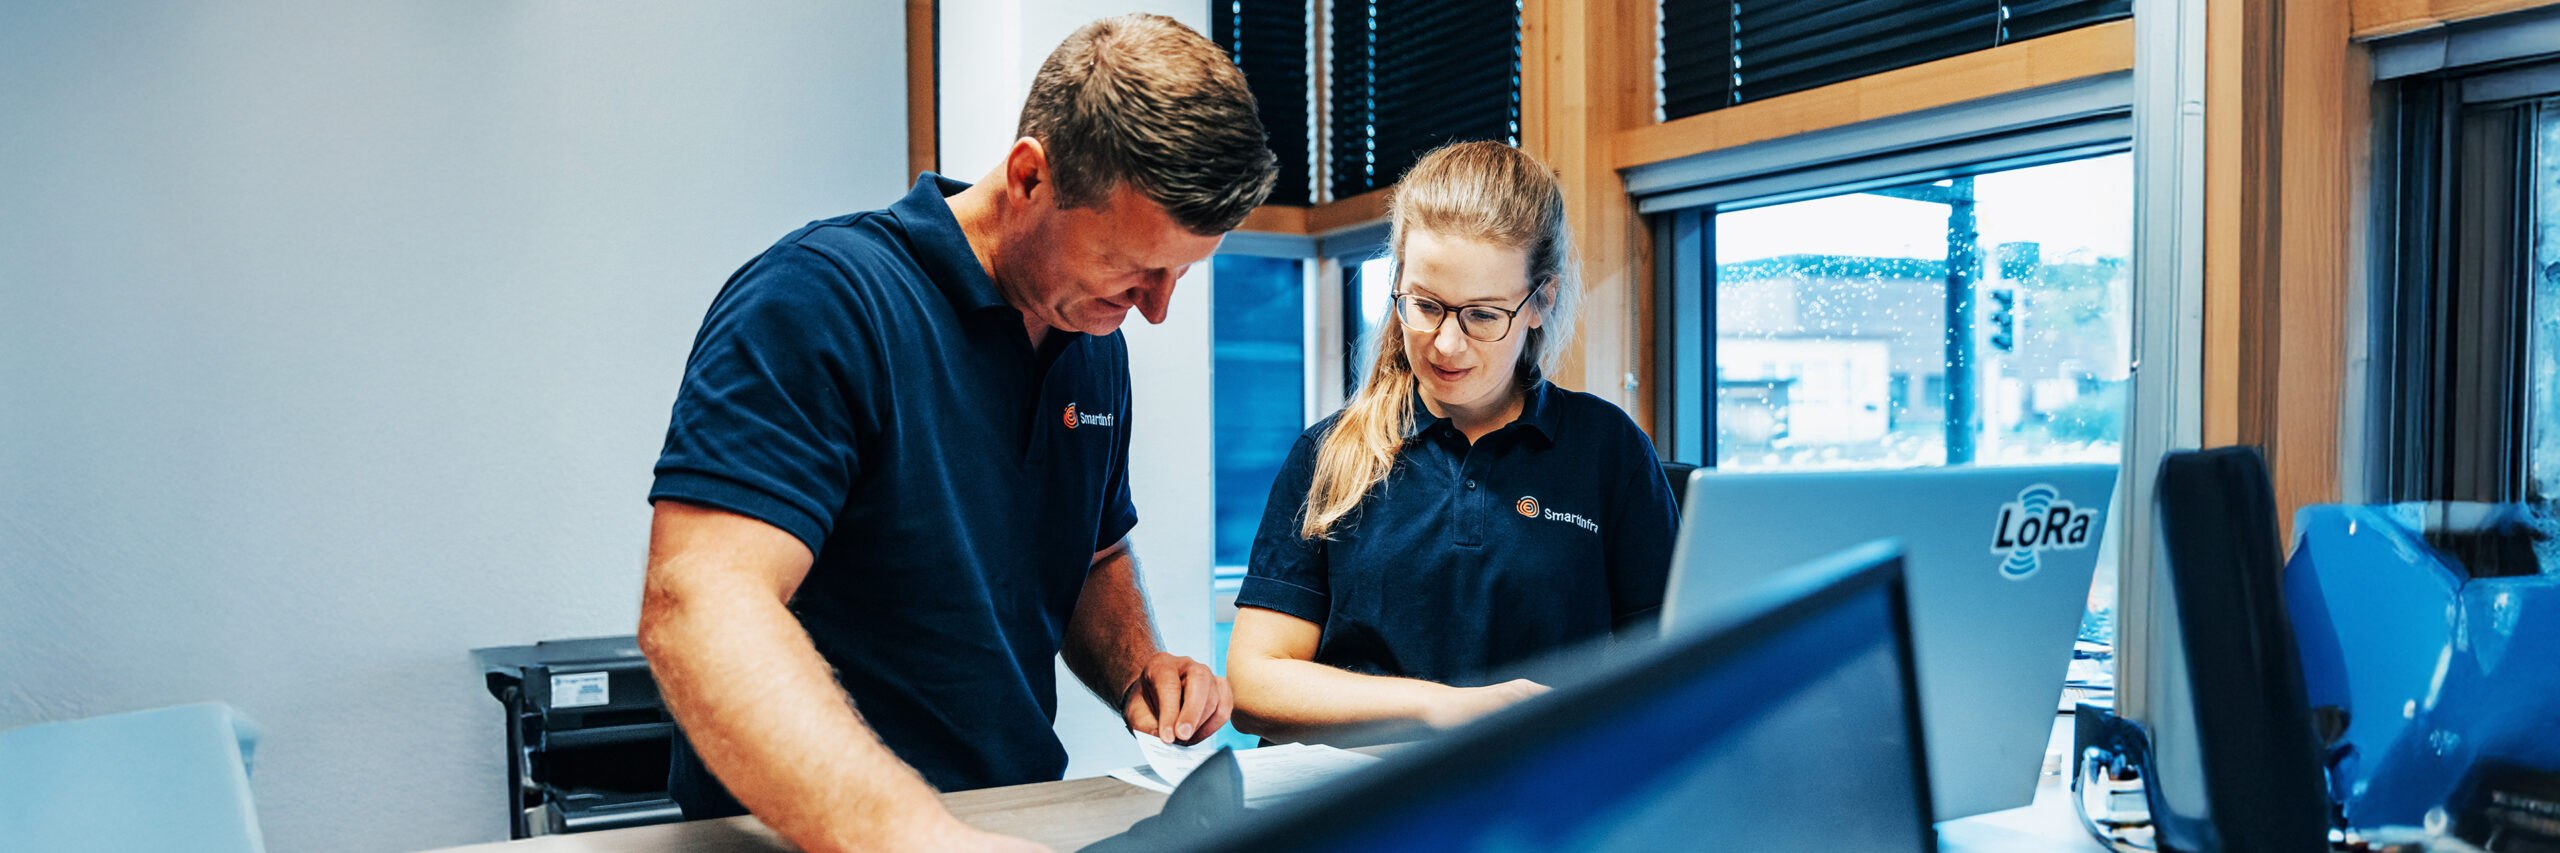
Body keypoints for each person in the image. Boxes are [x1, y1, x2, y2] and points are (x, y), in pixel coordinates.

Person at [637, 15, 1278, 853]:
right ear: (1029, 176)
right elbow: (699, 602)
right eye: (1135, 267)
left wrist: (1137, 665)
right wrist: (908, 833)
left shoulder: (1092, 343)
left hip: (1007, 815)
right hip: (809, 831)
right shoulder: (820, 303)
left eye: (1181, 273)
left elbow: (1090, 550)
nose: (1156, 308)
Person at [1224, 141, 1678, 744]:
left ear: (1541, 301)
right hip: (1360, 808)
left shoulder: (1608, 451)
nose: (1445, 345)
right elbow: (1256, 688)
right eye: (1425, 306)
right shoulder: (1329, 455)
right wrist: (1440, 707)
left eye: (1483, 316)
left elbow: (1667, 668)